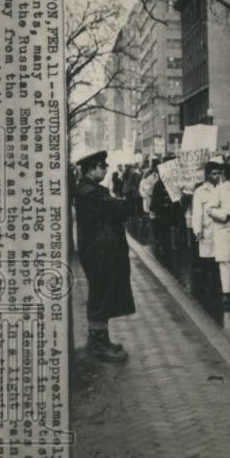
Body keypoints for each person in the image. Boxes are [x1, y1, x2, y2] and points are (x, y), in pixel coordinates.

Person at [73, 151, 135, 362]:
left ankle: (101, 339)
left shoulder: (89, 190)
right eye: (102, 166)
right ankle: (97, 344)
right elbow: (117, 209)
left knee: (103, 294)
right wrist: (122, 202)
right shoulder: (88, 192)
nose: (106, 168)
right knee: (100, 295)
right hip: (98, 253)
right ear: (91, 169)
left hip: (101, 251)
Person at [192, 161, 230, 306]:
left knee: (222, 260)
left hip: (221, 231)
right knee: (209, 261)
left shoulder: (225, 189)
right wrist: (197, 229)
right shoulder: (200, 191)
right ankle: (209, 287)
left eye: (218, 173)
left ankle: (221, 287)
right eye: (213, 174)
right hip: (208, 230)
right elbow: (197, 212)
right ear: (207, 175)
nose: (216, 176)